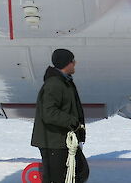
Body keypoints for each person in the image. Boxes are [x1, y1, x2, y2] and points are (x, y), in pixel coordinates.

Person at [31, 48, 89, 183]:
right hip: (53, 141)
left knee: (80, 172)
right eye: (72, 61)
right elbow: (48, 113)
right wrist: (72, 122)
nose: (75, 63)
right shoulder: (54, 84)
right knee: (56, 179)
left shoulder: (64, 82)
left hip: (63, 140)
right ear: (66, 63)